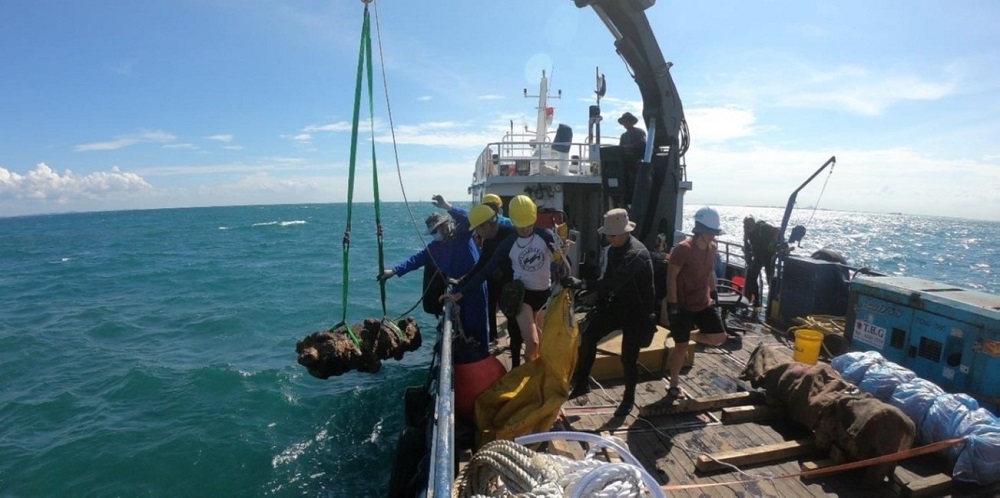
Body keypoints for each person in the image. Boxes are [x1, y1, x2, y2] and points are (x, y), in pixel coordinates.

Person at [445, 195, 566, 365]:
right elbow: (484, 269)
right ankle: (521, 369)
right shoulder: (506, 242)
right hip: (519, 293)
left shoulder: (541, 235)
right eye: (520, 225)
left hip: (541, 293)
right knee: (530, 340)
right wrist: (461, 291)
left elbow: (562, 263)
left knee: (542, 342)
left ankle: (534, 374)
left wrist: (561, 258)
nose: (524, 229)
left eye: (528, 224)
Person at [563, 208, 656, 417]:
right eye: (607, 234)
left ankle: (629, 398)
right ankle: (583, 382)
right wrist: (593, 295)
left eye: (612, 235)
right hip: (618, 305)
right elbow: (608, 279)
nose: (608, 237)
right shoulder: (614, 248)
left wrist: (582, 283)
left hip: (638, 312)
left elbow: (614, 282)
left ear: (625, 233)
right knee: (587, 336)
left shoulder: (636, 254)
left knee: (628, 357)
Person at [378, 195, 489, 364]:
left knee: (479, 320)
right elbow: (415, 260)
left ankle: (483, 355)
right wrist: (393, 271)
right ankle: (468, 354)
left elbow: (469, 218)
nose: (434, 235)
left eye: (435, 231)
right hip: (456, 288)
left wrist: (448, 206)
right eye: (432, 233)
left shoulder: (462, 234)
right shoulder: (435, 247)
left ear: (444, 226)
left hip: (475, 285)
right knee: (464, 323)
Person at [662, 206, 729, 399]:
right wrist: (672, 304)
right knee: (681, 348)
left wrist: (715, 295)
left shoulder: (713, 248)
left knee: (719, 338)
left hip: (702, 301)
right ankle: (674, 383)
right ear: (699, 229)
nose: (712, 236)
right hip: (682, 304)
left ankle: (687, 335)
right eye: (709, 232)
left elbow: (710, 272)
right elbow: (671, 277)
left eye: (714, 232)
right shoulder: (683, 249)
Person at [466, 203, 516, 347]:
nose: (476, 233)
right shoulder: (488, 242)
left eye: (477, 229)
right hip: (495, 281)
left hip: (515, 284)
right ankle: (492, 337)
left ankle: (516, 356)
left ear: (485, 226)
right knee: (491, 306)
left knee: (513, 319)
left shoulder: (512, 233)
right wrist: (462, 281)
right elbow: (480, 266)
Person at [743, 216, 780, 308]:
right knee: (751, 278)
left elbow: (777, 230)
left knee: (770, 280)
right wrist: (745, 238)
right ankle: (756, 302)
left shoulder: (763, 227)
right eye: (746, 227)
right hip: (758, 257)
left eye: (749, 228)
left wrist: (773, 242)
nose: (748, 229)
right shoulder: (748, 232)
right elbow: (747, 247)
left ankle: (771, 305)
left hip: (768, 256)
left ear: (753, 225)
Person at [617, 111, 646, 206]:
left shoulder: (639, 132)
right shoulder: (623, 136)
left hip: (637, 160)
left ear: (632, 122)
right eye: (624, 122)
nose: (626, 124)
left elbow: (643, 144)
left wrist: (630, 147)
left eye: (628, 121)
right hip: (626, 162)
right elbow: (620, 148)